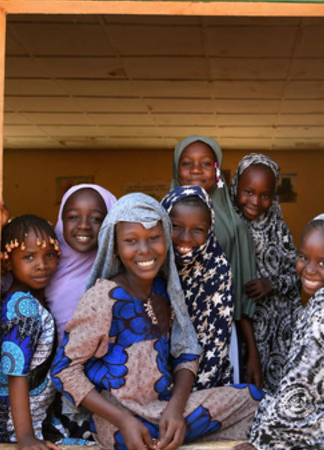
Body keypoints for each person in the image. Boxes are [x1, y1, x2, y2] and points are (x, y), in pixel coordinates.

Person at [51, 193, 263, 450]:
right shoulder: (103, 298)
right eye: (131, 241)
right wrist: (123, 419)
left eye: (154, 238)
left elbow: (186, 352)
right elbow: (64, 370)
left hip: (165, 410)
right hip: (119, 420)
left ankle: (172, 433)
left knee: (254, 400)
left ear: (166, 240)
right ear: (116, 248)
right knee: (130, 438)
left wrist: (175, 409)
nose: (145, 250)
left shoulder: (164, 289)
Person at [236, 213, 324, 450]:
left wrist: (262, 440)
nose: (309, 270)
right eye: (303, 257)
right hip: (322, 406)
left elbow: (304, 386)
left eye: (323, 263)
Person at [170, 135, 261, 386]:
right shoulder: (161, 216)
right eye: (187, 163)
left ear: (218, 170)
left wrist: (252, 352)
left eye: (206, 163)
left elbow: (242, 296)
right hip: (169, 331)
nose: (196, 170)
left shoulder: (235, 227)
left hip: (219, 334)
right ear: (176, 170)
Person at [0, 215, 88, 449]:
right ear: (8, 262)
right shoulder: (21, 306)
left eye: (49, 255)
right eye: (28, 257)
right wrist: (26, 437)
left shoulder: (34, 300)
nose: (42, 264)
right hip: (19, 428)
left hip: (40, 421)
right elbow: (16, 371)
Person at [229, 154, 301, 394]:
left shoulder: (279, 228)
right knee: (248, 390)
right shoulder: (228, 228)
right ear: (236, 185)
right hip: (243, 330)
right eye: (248, 191)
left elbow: (298, 274)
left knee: (281, 390)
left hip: (282, 329)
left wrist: (273, 284)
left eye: (265, 195)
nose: (255, 201)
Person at [161, 185, 233, 390]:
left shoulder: (217, 269)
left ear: (210, 230)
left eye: (198, 229)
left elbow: (215, 345)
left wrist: (188, 398)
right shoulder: (153, 265)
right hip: (152, 384)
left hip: (203, 382)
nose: (185, 237)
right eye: (175, 226)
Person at [46, 184, 117, 342]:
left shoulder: (118, 272)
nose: (84, 225)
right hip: (53, 365)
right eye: (73, 217)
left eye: (96, 219)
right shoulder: (43, 266)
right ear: (61, 220)